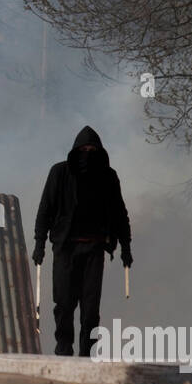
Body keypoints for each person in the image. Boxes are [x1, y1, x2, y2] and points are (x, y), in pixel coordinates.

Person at [32, 127, 133, 357]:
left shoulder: (108, 177)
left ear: (100, 151)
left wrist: (126, 246)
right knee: (64, 303)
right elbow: (44, 210)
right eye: (84, 149)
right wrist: (39, 244)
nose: (88, 153)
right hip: (65, 248)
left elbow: (119, 213)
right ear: (75, 151)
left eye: (92, 149)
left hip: (95, 249)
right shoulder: (59, 173)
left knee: (90, 307)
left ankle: (87, 352)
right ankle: (64, 348)